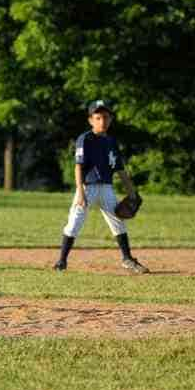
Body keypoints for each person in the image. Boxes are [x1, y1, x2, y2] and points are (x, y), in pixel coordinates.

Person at [54, 100, 148, 274]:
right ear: (91, 120)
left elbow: (120, 170)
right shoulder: (85, 139)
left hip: (106, 188)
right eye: (97, 117)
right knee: (75, 222)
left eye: (105, 117)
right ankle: (62, 261)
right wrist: (80, 192)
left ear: (110, 119)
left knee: (117, 222)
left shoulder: (112, 142)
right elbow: (78, 166)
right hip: (87, 187)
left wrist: (132, 193)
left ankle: (127, 259)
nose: (102, 121)